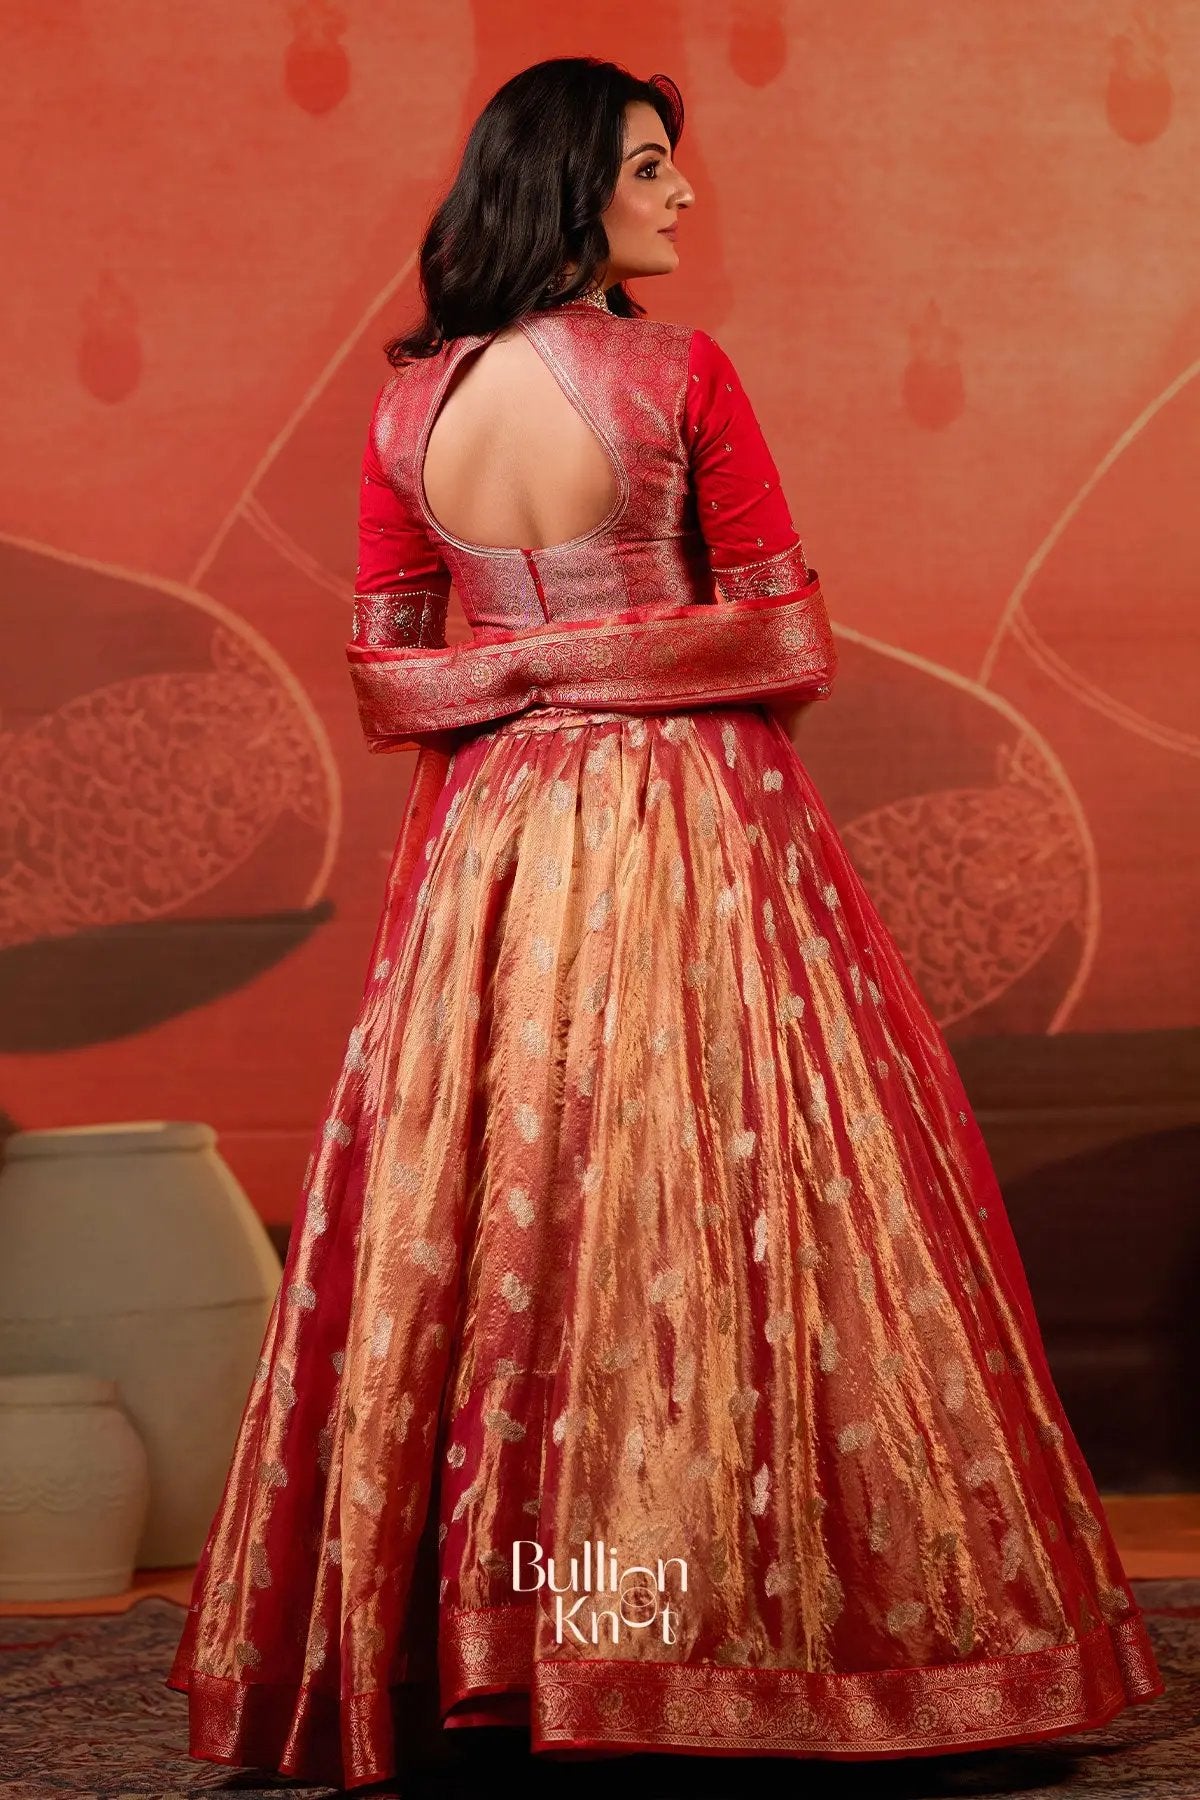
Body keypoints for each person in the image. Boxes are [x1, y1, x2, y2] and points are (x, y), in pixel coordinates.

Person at [165, 55, 1164, 1790]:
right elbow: (782, 638)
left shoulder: (409, 409)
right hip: (688, 828)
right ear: (571, 187)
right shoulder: (678, 372)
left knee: (512, 1215)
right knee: (713, 1206)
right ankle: (720, 1641)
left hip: (493, 850)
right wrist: (621, 664)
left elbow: (400, 679)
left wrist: (525, 672)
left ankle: (505, 1644)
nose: (683, 193)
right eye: (648, 167)